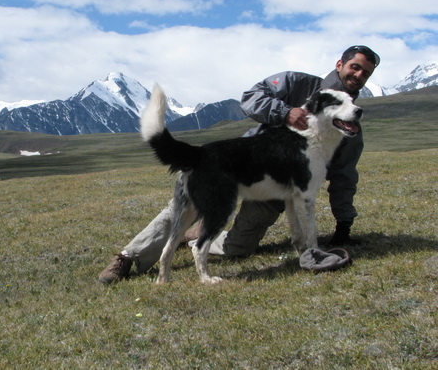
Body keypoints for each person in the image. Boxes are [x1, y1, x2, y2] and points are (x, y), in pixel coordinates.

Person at [98, 45, 380, 284]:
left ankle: (200, 234)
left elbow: (344, 176)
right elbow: (251, 98)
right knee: (180, 208)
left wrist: (344, 225)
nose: (358, 75)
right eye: (355, 67)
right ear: (340, 64)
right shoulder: (297, 82)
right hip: (242, 161)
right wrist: (285, 112)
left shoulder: (350, 128)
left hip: (275, 191)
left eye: (365, 73)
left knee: (239, 248)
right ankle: (127, 258)